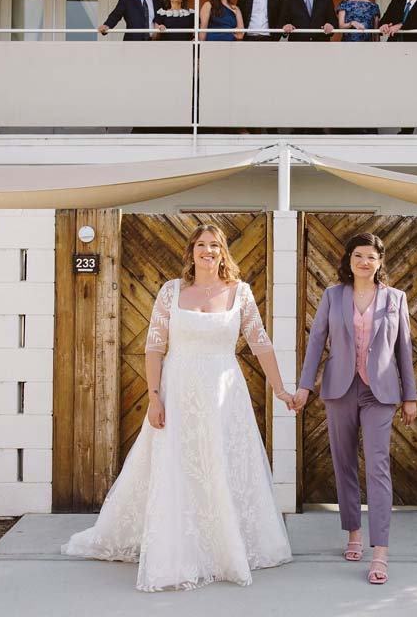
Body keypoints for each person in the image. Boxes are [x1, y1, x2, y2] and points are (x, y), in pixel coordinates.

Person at [62, 224, 295, 591]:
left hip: (223, 392)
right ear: (191, 252)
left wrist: (281, 389)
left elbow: (260, 342)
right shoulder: (171, 291)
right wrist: (154, 396)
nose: (207, 251)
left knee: (221, 463)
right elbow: (154, 347)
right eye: (201, 245)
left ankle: (223, 547)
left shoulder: (241, 292)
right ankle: (178, 544)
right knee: (180, 465)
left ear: (223, 252)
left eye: (214, 245)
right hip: (179, 386)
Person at [294, 232, 417, 586]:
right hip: (340, 389)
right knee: (343, 461)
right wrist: (305, 386)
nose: (365, 262)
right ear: (349, 260)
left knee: (378, 467)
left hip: (380, 392)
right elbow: (317, 340)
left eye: (371, 257)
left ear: (380, 262)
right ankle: (353, 531)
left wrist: (411, 396)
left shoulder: (396, 298)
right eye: (358, 256)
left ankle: (380, 550)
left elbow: (404, 350)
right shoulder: (333, 296)